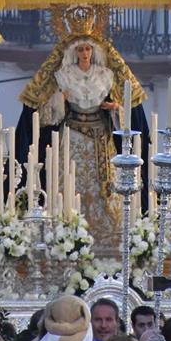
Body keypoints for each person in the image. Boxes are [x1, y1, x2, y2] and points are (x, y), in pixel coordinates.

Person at [17, 26, 149, 253]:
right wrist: (61, 100)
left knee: (104, 187)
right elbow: (45, 115)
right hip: (72, 137)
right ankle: (66, 231)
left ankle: (108, 236)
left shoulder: (105, 75)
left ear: (94, 51)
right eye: (80, 49)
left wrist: (115, 108)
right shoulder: (64, 76)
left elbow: (127, 113)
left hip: (101, 138)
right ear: (74, 53)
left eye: (88, 49)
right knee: (68, 184)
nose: (85, 53)